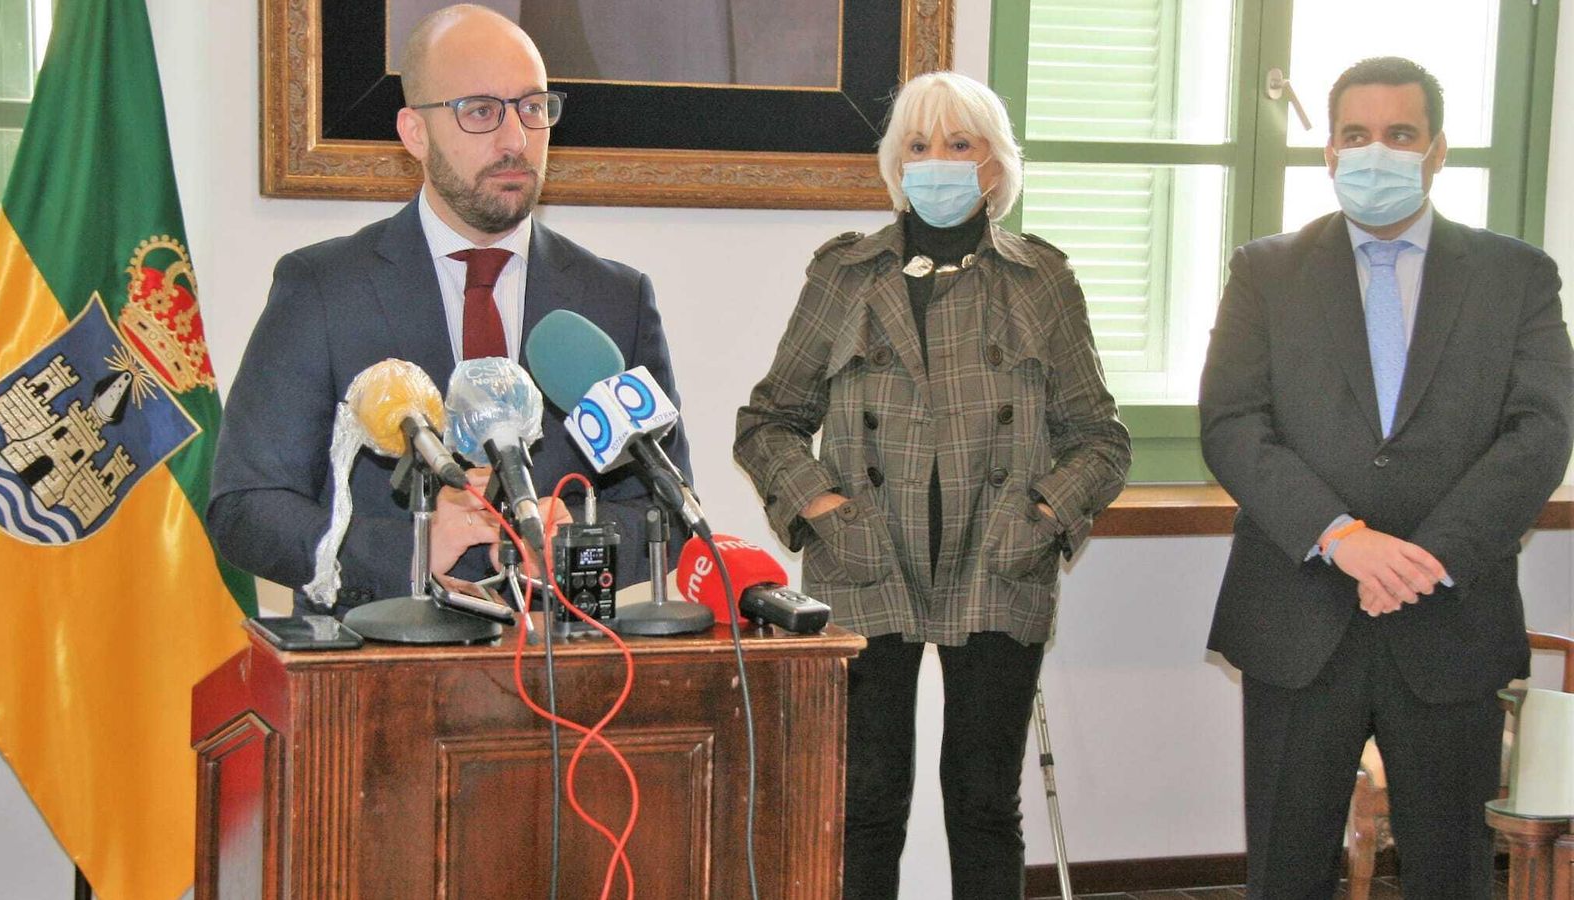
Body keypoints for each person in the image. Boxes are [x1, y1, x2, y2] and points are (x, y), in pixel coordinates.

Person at [733, 71, 1130, 899]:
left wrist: (1043, 516)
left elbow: (1101, 439)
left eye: (960, 143)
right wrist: (824, 508)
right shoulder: (844, 276)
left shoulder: (1040, 280)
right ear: (894, 163)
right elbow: (768, 421)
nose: (938, 161)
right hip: (865, 566)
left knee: (983, 803)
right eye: (919, 145)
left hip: (999, 565)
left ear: (995, 166)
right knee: (866, 802)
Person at [1199, 56, 1573, 898]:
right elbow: (1232, 424)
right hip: (1299, 615)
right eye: (1357, 136)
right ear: (1329, 153)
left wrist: (1424, 558)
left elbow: (1541, 433)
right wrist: (1346, 540)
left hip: (1450, 617)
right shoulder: (1266, 271)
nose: (1378, 152)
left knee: (1452, 873)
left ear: (1437, 150)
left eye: (1400, 134)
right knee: (1286, 873)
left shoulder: (1517, 276)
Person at [208, 4, 691, 612]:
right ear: (415, 132)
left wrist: (575, 543)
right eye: (481, 111)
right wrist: (407, 548)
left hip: (566, 670)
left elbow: (667, 507)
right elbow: (246, 507)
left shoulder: (614, 298)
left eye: (534, 108)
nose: (516, 140)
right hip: (373, 664)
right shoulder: (324, 288)